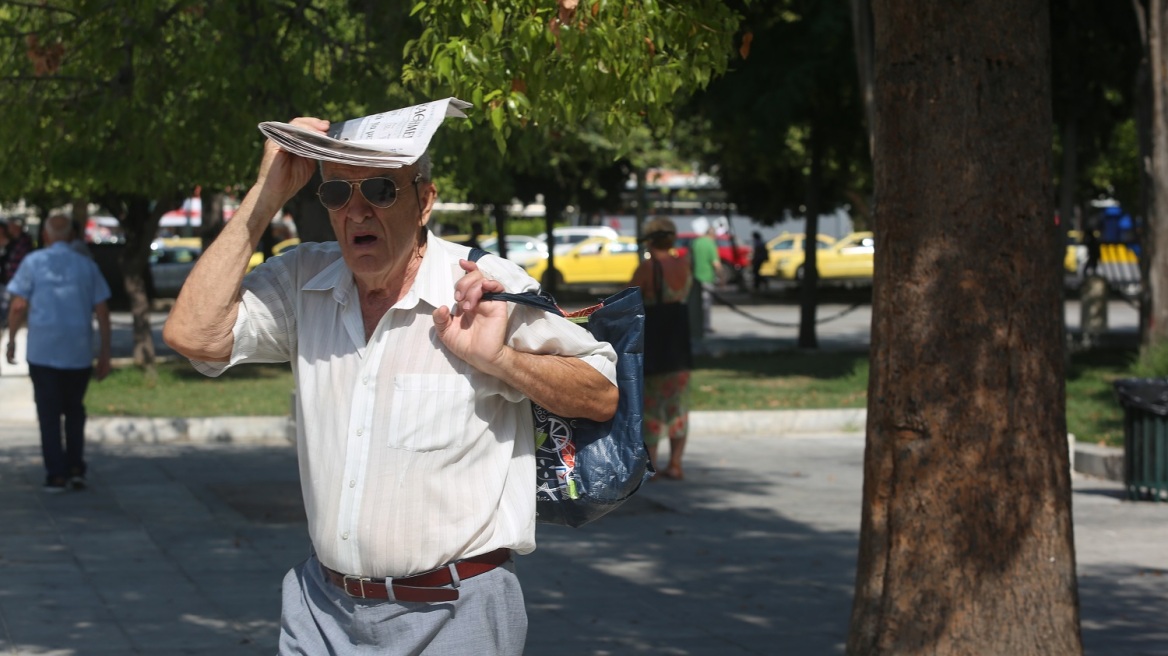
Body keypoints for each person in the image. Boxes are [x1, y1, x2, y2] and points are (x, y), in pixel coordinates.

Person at [162, 115, 619, 655]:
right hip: (322, 612)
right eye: (336, 192)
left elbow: (600, 393)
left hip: (456, 614)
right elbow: (193, 335)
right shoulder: (302, 280)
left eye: (379, 190)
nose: (357, 211)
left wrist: (498, 359)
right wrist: (266, 195)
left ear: (424, 201)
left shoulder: (482, 286)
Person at [5, 214, 112, 493]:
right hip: (77, 351)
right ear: (71, 237)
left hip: (44, 351)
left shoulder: (33, 263)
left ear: (47, 235)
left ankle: (56, 474)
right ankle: (76, 467)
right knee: (74, 410)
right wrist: (105, 352)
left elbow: (18, 306)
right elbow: (102, 311)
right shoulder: (87, 266)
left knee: (49, 413)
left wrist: (12, 338)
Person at [630, 217, 692, 480]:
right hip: (680, 343)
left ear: (649, 240)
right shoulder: (683, 264)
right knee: (678, 406)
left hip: (656, 342)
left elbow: (628, 298)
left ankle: (652, 465)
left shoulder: (648, 268)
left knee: (652, 406)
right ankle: (676, 464)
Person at [689, 217, 722, 335]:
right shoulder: (710, 244)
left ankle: (696, 324)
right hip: (707, 278)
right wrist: (722, 278)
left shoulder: (695, 242)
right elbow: (716, 263)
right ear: (711, 234)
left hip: (695, 278)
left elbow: (690, 260)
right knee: (706, 305)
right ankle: (705, 326)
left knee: (697, 304)